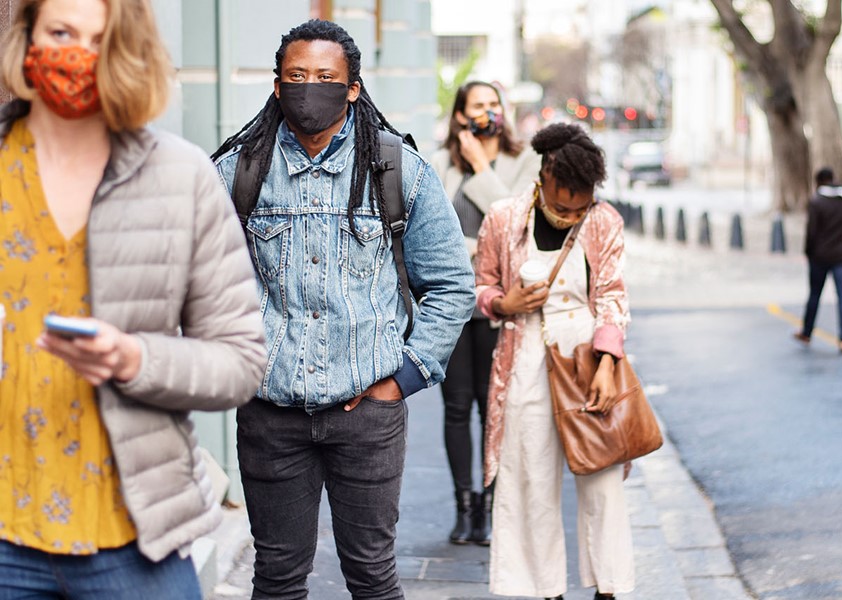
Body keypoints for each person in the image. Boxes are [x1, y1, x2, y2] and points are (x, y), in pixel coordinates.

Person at [0, 0, 267, 597]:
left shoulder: (181, 176)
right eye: (62, 33)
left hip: (134, 541)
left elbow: (241, 361)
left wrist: (135, 361)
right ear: (28, 37)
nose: (78, 56)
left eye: (103, 40)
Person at [211, 19, 475, 600]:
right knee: (277, 579)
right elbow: (199, 283)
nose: (311, 87)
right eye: (297, 76)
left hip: (368, 417)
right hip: (270, 413)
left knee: (372, 576)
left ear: (353, 87)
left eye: (327, 77)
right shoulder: (237, 172)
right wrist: (235, 364)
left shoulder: (396, 170)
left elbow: (453, 285)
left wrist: (403, 377)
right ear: (277, 86)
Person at [475, 123, 634, 600]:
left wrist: (607, 363)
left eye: (579, 208)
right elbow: (479, 284)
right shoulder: (503, 218)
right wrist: (504, 304)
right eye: (561, 207)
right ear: (542, 178)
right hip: (523, 357)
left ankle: (609, 589)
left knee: (602, 481)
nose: (569, 217)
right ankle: (544, 591)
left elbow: (611, 294)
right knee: (531, 479)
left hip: (588, 360)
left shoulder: (604, 221)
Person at [431, 80, 541, 546]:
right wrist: (474, 251)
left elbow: (517, 219)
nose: (487, 112)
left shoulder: (525, 159)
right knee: (457, 407)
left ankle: (492, 506)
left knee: (494, 408)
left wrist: (480, 164)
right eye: (477, 106)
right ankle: (465, 507)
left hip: (502, 304)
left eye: (494, 104)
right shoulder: (439, 164)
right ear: (460, 116)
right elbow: (429, 231)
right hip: (454, 303)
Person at [794, 167, 842, 353]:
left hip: (819, 256)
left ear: (819, 182)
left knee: (814, 295)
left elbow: (811, 232)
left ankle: (806, 332)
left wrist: (808, 252)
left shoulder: (816, 201)